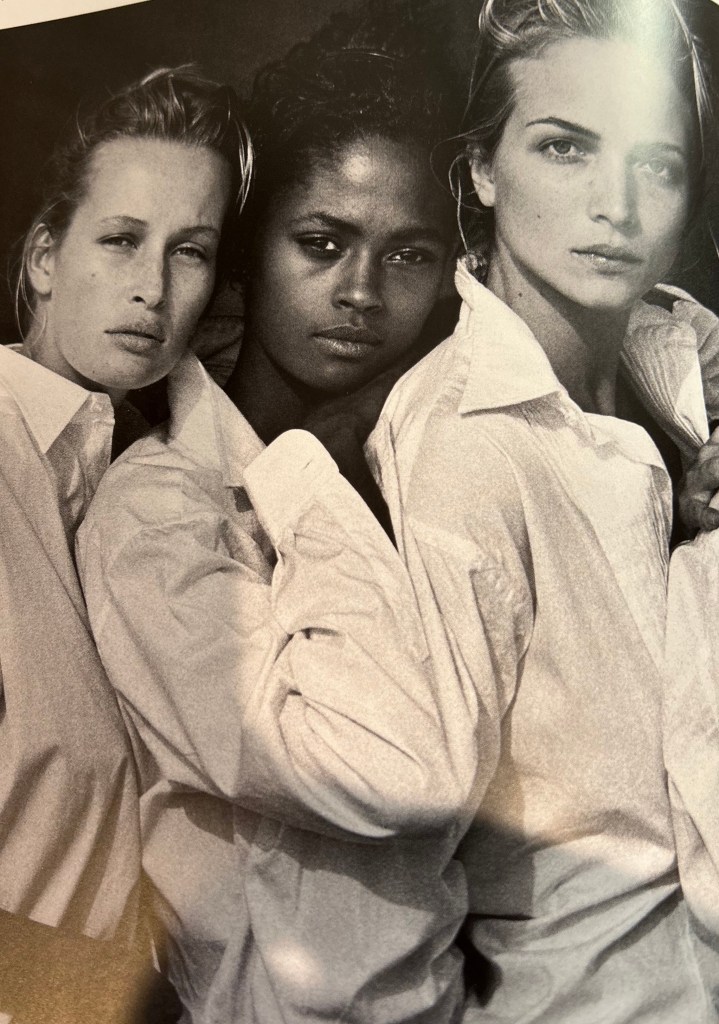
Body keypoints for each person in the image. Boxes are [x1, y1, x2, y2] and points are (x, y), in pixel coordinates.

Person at [75, 4, 479, 1022]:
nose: (359, 292)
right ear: (249, 254)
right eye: (321, 242)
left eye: (408, 255)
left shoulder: (433, 470)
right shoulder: (154, 510)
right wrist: (314, 459)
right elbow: (394, 774)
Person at [367, 0, 719, 1020]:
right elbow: (405, 850)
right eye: (564, 148)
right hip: (588, 996)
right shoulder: (462, 445)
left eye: (656, 164)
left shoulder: (680, 368)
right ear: (480, 168)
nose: (616, 205)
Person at [0, 65, 251, 1023]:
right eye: (119, 240)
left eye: (190, 253)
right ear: (44, 257)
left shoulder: (139, 467)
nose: (152, 290)